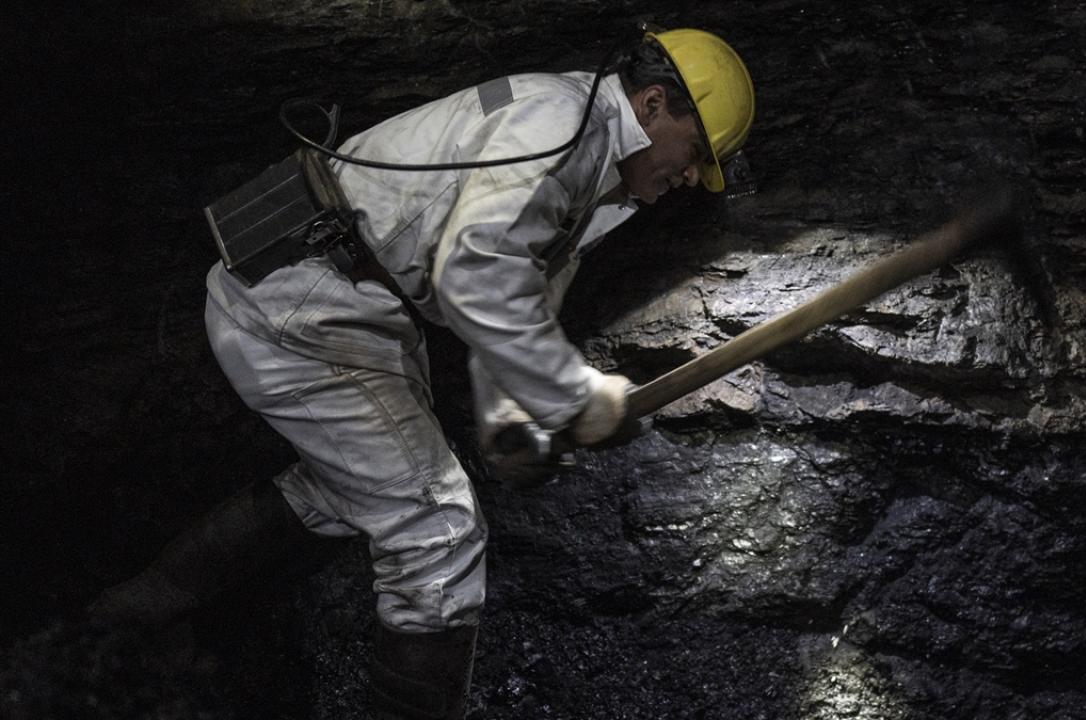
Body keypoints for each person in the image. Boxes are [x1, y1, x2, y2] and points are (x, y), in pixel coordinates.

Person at [89, 27, 754, 719]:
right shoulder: (559, 131)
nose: (687, 178)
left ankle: (130, 616)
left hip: (352, 306)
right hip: (303, 303)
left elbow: (520, 292)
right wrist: (575, 395)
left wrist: (509, 418)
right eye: (695, 153)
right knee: (437, 530)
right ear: (652, 105)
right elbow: (478, 274)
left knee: (348, 489)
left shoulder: (586, 161)